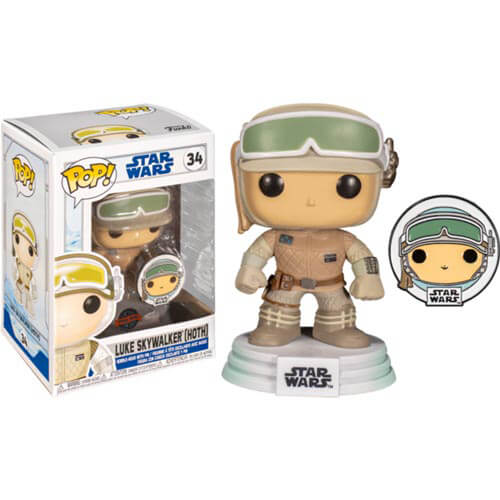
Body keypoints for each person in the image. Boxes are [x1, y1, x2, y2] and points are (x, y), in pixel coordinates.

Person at [231, 103, 399, 348]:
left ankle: (337, 328)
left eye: (348, 185)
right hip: (285, 285)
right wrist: (249, 269)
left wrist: (369, 277)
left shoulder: (344, 240)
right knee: (277, 314)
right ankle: (277, 326)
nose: (311, 201)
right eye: (273, 184)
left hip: (331, 285)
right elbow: (257, 253)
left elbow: (363, 257)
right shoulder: (275, 237)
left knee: (338, 312)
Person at [54, 253, 123, 384]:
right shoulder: (43, 346)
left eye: (90, 305)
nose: (64, 322)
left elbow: (106, 366)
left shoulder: (90, 347)